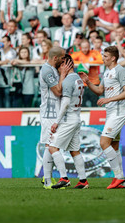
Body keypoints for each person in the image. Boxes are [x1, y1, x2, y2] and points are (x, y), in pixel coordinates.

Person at [79, 46, 125, 189]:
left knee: (103, 143)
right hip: (111, 112)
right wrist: (88, 81)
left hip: (119, 112)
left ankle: (119, 177)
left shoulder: (120, 70)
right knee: (114, 146)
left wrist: (109, 99)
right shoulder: (107, 72)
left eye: (106, 56)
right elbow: (100, 91)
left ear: (113, 58)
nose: (103, 58)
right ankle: (121, 180)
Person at [49, 54, 89, 190]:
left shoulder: (67, 81)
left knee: (52, 146)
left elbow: (65, 103)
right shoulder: (78, 78)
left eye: (59, 65)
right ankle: (83, 181)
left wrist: (56, 122)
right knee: (75, 151)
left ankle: (64, 178)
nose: (58, 68)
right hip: (77, 117)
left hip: (68, 119)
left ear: (65, 64)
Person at [38, 46, 69, 189]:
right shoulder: (47, 71)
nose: (64, 60)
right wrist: (63, 74)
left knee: (49, 147)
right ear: (55, 58)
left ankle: (48, 180)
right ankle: (53, 180)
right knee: (51, 146)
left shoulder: (52, 70)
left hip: (54, 113)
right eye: (62, 57)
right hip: (49, 114)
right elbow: (57, 91)